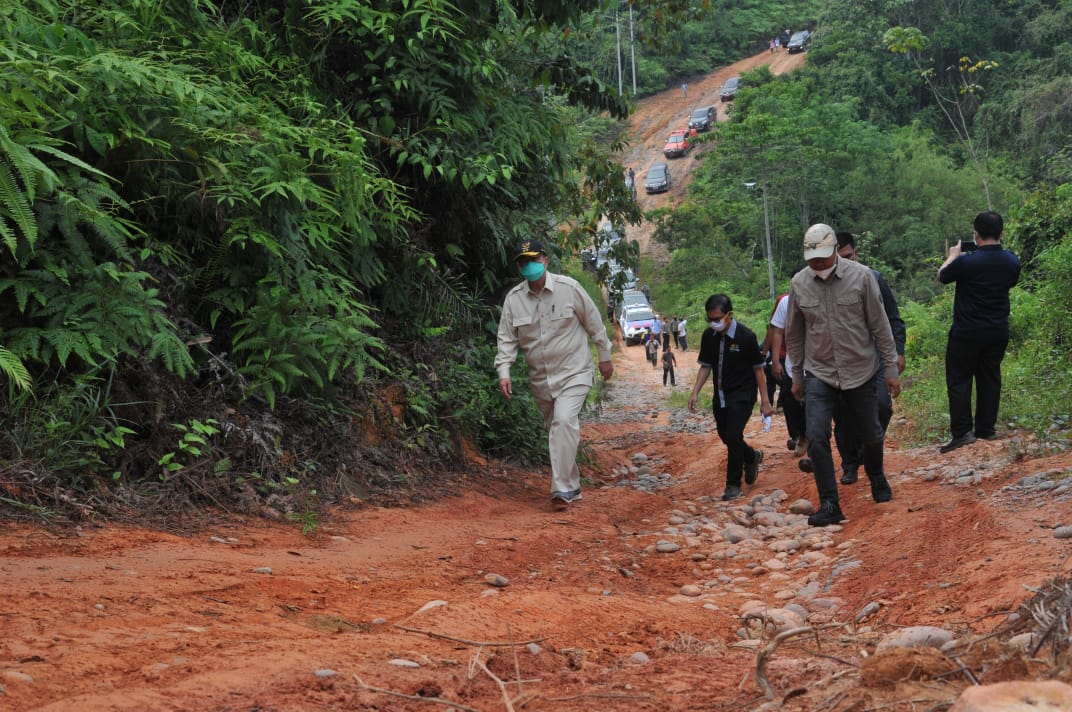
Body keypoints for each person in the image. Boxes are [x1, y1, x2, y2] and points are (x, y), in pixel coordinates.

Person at [785, 224, 900, 527]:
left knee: (872, 433)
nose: (818, 264)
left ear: (836, 250)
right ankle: (830, 504)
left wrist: (890, 369)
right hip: (819, 372)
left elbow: (880, 326)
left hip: (860, 369)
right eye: (813, 259)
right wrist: (797, 376)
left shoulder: (861, 277)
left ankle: (876, 476)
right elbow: (794, 334)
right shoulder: (799, 283)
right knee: (818, 437)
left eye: (824, 257)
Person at [496, 239, 613, 508]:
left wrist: (604, 357)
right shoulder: (514, 300)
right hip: (542, 380)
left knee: (562, 423)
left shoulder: (569, 289)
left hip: (575, 372)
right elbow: (506, 340)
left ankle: (560, 489)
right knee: (558, 430)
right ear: (519, 267)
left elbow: (594, 324)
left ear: (546, 261)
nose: (530, 266)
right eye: (524, 262)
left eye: (535, 260)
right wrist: (505, 371)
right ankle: (572, 485)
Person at [937, 211, 1021, 453]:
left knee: (959, 380)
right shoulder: (1011, 261)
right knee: (990, 377)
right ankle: (986, 429)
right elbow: (1011, 281)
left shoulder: (965, 262)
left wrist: (952, 256)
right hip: (997, 330)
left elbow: (942, 277)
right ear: (1001, 233)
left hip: (967, 331)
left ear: (976, 234)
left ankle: (963, 433)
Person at [832, 232, 906, 484]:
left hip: (874, 358)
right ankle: (850, 463)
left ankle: (868, 447)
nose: (847, 262)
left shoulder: (873, 279)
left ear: (857, 254)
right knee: (843, 415)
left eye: (849, 256)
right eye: (840, 258)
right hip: (838, 362)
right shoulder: (820, 284)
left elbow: (893, 319)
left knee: (882, 406)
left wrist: (898, 352)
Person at [688, 294, 773, 500]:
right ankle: (751, 457)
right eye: (710, 320)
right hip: (721, 395)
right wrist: (695, 391)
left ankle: (733, 484)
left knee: (734, 436)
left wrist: (765, 401)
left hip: (743, 394)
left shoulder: (746, 337)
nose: (714, 323)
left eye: (717, 319)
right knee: (726, 436)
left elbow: (759, 370)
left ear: (729, 315)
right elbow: (705, 366)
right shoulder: (709, 337)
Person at [766, 291, 807, 457]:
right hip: (790, 361)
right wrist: (773, 359)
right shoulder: (784, 302)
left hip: (821, 364)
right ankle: (798, 435)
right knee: (791, 398)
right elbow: (775, 329)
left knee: (817, 404)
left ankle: (815, 445)